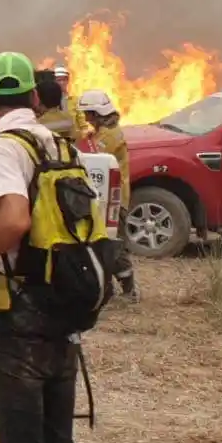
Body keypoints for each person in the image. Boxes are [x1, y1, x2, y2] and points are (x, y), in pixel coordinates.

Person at [0, 51, 99, 443]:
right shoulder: (60, 145)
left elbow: (14, 220)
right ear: (35, 97)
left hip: (19, 319)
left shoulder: (4, 148)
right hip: (65, 306)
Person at [78, 89, 139, 301]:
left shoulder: (109, 137)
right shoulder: (103, 133)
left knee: (115, 246)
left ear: (96, 113)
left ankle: (130, 290)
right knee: (103, 244)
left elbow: (94, 158)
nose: (86, 118)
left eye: (88, 113)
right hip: (104, 196)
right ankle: (108, 289)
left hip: (113, 199)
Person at [53, 65, 92, 142]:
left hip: (73, 142)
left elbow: (82, 124)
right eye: (58, 80)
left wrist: (85, 135)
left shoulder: (75, 100)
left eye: (64, 80)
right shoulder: (49, 102)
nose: (62, 83)